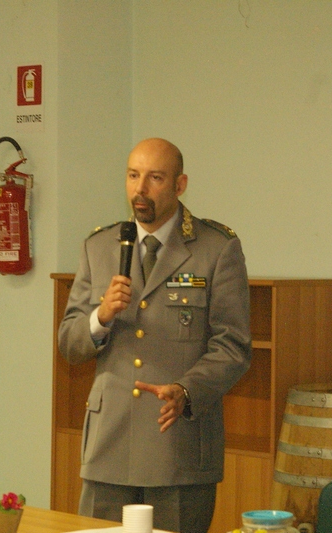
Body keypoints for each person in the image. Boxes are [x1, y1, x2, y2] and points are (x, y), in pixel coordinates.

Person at [58, 138, 252, 533]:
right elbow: (69, 343)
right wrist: (102, 315)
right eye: (133, 176)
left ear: (180, 185)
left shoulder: (216, 248)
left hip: (177, 444)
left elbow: (232, 346)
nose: (140, 189)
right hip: (109, 446)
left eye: (154, 178)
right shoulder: (99, 245)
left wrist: (187, 388)